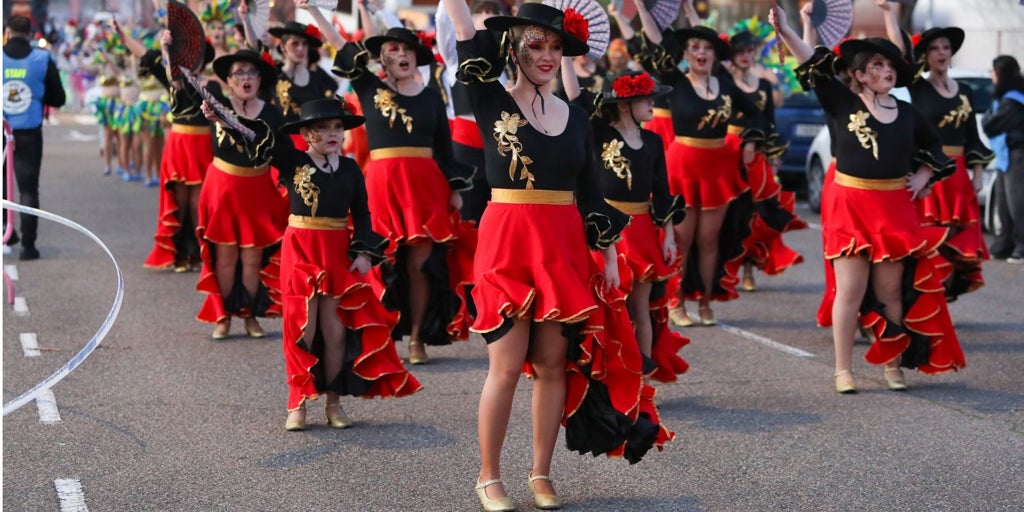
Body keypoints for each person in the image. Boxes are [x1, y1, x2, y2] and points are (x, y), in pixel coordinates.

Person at [442, 1, 671, 510]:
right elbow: (462, 26)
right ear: (513, 50)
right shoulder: (488, 96)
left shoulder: (576, 115)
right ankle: (488, 476)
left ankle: (541, 473)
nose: (546, 56)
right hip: (507, 239)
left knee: (551, 364)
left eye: (553, 47)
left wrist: (608, 256)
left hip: (563, 242)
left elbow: (589, 192)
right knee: (504, 365)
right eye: (535, 46)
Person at [772, 6, 965, 394]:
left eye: (891, 65)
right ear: (860, 74)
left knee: (891, 291)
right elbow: (811, 59)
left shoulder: (909, 113)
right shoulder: (841, 102)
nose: (887, 70)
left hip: (894, 208)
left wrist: (924, 174)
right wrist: (790, 29)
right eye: (877, 65)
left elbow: (935, 148)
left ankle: (892, 365)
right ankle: (843, 369)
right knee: (850, 290)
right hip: (850, 204)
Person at [265, 97, 422, 431]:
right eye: (323, 128)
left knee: (335, 331)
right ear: (306, 133)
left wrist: (365, 253)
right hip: (301, 248)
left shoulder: (350, 168)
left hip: (337, 250)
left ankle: (333, 402)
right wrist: (223, 114)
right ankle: (298, 402)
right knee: (301, 327)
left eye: (337, 127)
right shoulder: (293, 161)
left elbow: (362, 214)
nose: (333, 133)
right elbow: (256, 137)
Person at [328, 10, 473, 365]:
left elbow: (444, 146)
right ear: (384, 58)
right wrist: (315, 10)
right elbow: (342, 48)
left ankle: (418, 336)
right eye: (393, 48)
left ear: (416, 56)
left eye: (407, 49)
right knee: (381, 261)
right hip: (382, 184)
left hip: (426, 187)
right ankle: (380, 332)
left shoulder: (430, 96)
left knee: (421, 266)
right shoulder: (370, 87)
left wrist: (454, 187)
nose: (402, 54)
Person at [633, 1, 765, 327]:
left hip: (717, 168)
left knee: (709, 242)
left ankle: (705, 302)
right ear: (687, 53)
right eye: (694, 47)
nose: (701, 52)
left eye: (707, 47)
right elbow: (657, 40)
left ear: (715, 55)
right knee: (682, 238)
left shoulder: (727, 85)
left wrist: (749, 141)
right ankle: (676, 303)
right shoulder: (676, 80)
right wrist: (640, 5)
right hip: (682, 166)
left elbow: (756, 113)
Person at [561, 67, 690, 387]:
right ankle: (605, 374)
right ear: (622, 105)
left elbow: (662, 191)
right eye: (645, 99)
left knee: (641, 308)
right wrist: (568, 57)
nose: (653, 104)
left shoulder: (654, 141)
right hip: (607, 230)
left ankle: (641, 380)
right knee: (609, 305)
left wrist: (669, 235)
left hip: (644, 230)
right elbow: (576, 98)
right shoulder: (599, 132)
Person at [877, 2, 995, 297]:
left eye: (945, 47)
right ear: (926, 57)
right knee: (930, 237)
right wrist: (889, 14)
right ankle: (928, 297)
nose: (942, 52)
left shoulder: (965, 90)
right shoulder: (918, 87)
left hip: (957, 177)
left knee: (957, 241)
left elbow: (972, 136)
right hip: (928, 173)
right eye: (934, 48)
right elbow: (899, 53)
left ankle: (942, 295)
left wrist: (977, 173)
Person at [195, 49, 289, 339]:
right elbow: (183, 80)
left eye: (251, 73)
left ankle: (248, 314)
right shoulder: (216, 106)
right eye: (239, 73)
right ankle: (223, 316)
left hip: (258, 190)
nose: (245, 78)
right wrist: (167, 47)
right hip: (223, 188)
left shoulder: (272, 112)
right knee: (225, 257)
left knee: (252, 258)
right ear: (228, 79)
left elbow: (285, 152)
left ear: (260, 80)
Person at [128, 28, 216, 272]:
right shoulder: (174, 80)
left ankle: (203, 253)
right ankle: (180, 253)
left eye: (198, 57)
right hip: (179, 145)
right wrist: (166, 49)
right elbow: (150, 58)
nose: (193, 60)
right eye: (189, 56)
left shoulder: (211, 84)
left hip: (202, 145)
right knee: (180, 200)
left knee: (199, 202)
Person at [727, 29, 806, 292]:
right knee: (729, 212)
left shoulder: (763, 85)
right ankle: (726, 269)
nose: (745, 56)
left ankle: (749, 268)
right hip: (727, 151)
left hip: (757, 153)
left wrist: (773, 157)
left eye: (749, 51)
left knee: (755, 212)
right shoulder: (723, 83)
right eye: (739, 52)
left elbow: (770, 123)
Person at [2, 15, 67, 261]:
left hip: (1, 129)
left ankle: (5, 229)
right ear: (30, 34)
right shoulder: (42, 59)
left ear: (7, 33)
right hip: (28, 131)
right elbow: (59, 98)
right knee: (28, 188)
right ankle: (28, 246)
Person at [267, 6, 339, 151]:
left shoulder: (316, 77)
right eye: (295, 43)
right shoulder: (273, 75)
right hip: (284, 146)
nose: (300, 48)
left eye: (304, 44)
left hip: (315, 147)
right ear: (283, 47)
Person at [982, 55, 1024, 263]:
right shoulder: (1006, 98)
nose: (991, 75)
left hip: (1017, 156)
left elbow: (990, 125)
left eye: (993, 71)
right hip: (1004, 156)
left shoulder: (1014, 101)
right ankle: (1004, 243)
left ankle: (1021, 246)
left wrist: (988, 119)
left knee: (1018, 204)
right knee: (1003, 204)